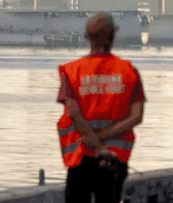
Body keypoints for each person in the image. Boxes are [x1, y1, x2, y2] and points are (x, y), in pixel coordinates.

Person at [57, 12, 146, 203]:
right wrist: (104, 143)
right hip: (114, 158)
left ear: (87, 37)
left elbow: (74, 113)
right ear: (113, 36)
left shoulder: (71, 71)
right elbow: (136, 116)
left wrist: (96, 144)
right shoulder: (129, 71)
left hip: (81, 156)